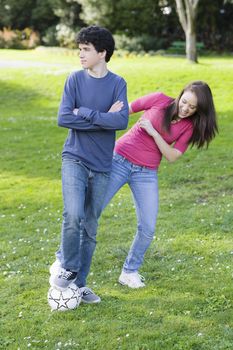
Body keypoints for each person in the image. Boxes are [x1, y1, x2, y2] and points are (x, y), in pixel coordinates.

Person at [102, 81, 218, 288]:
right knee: (91, 211)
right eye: (184, 102)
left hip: (146, 173)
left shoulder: (189, 127)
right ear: (180, 95)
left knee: (147, 227)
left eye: (192, 108)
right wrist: (104, 117)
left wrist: (154, 133)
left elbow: (172, 155)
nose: (185, 109)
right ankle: (65, 261)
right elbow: (125, 111)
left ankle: (129, 271)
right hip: (118, 160)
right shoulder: (158, 100)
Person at [49, 25, 128, 303]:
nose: (80, 54)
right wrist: (102, 117)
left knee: (90, 226)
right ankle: (69, 268)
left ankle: (80, 285)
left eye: (86, 50)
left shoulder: (118, 84)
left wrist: (84, 112)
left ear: (102, 53)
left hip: (103, 166)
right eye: (80, 49)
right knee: (73, 215)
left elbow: (121, 121)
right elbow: (63, 118)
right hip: (75, 158)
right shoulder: (74, 80)